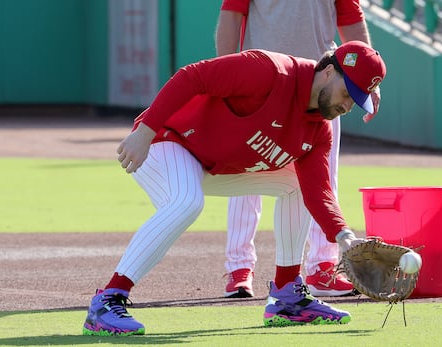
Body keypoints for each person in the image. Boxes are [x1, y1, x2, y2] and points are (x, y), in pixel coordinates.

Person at [82, 41, 387, 335]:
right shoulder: (269, 71)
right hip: (165, 141)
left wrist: (344, 237)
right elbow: (192, 77)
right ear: (330, 71)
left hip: (215, 165)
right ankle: (108, 301)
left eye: (356, 101)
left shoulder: (319, 130)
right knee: (187, 202)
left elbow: (318, 191)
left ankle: (287, 296)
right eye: (347, 93)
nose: (347, 105)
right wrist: (145, 131)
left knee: (295, 185)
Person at [216, 0, 380, 300]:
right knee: (244, 177)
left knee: (322, 178)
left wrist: (365, 78)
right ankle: (238, 269)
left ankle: (323, 265)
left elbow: (351, 19)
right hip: (262, 79)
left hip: (321, 86)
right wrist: (226, 74)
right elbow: (231, 13)